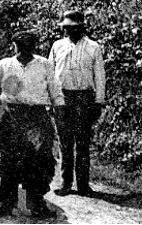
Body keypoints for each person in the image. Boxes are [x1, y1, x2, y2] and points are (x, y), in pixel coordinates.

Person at [0, 31, 64, 219]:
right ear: (16, 47)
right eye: (22, 46)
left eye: (28, 46)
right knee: (10, 159)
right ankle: (6, 203)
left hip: (37, 119)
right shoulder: (6, 65)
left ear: (33, 47)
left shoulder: (44, 65)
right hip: (12, 117)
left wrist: (60, 109)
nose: (24, 50)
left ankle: (35, 203)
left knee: (40, 161)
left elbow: (55, 90)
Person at [48, 10, 106, 197]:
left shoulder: (93, 47)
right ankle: (66, 183)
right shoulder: (57, 46)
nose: (70, 31)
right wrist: (49, 100)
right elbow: (49, 75)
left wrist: (98, 101)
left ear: (82, 27)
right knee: (65, 142)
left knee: (82, 142)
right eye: (67, 27)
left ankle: (83, 185)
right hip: (62, 97)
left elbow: (100, 77)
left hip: (84, 98)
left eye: (74, 27)